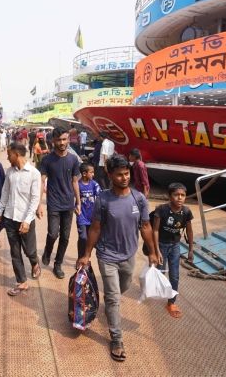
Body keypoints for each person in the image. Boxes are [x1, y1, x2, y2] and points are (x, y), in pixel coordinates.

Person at [76, 155, 158, 362]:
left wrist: (153, 252)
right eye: (119, 174)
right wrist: (86, 254)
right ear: (110, 175)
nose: (124, 178)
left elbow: (146, 227)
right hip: (107, 254)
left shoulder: (138, 199)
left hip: (129, 254)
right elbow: (95, 228)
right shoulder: (103, 199)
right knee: (113, 297)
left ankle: (111, 302)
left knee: (124, 286)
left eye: (127, 174)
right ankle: (116, 338)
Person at [0, 143, 42, 296]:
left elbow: (35, 200)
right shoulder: (10, 172)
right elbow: (4, 193)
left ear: (16, 154)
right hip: (10, 218)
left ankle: (35, 262)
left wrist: (27, 221)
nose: (8, 158)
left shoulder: (34, 173)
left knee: (29, 251)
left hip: (25, 220)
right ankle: (21, 282)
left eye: (9, 155)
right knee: (15, 252)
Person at [38, 126, 81, 279]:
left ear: (68, 139)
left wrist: (78, 202)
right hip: (54, 203)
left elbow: (75, 182)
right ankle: (48, 250)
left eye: (64, 139)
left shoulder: (73, 159)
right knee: (52, 233)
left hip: (68, 204)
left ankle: (58, 264)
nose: (62, 142)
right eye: (59, 140)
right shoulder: (47, 160)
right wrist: (38, 205)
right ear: (53, 141)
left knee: (65, 236)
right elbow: (41, 182)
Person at [151, 182, 195, 318]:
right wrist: (156, 250)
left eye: (183, 195)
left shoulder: (186, 212)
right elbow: (155, 230)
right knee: (160, 272)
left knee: (175, 276)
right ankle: (150, 273)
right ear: (170, 196)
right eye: (176, 195)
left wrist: (191, 249)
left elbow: (189, 230)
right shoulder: (161, 210)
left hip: (175, 246)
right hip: (161, 245)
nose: (180, 198)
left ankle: (171, 302)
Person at [76, 163, 101, 259]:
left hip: (92, 217)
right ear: (84, 174)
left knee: (91, 238)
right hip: (81, 216)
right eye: (92, 172)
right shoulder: (77, 185)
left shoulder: (94, 184)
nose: (93, 174)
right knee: (83, 237)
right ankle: (80, 258)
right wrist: (75, 207)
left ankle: (86, 257)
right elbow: (71, 198)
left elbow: (100, 196)